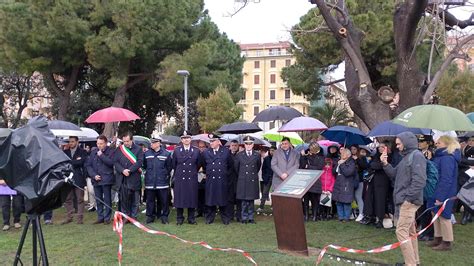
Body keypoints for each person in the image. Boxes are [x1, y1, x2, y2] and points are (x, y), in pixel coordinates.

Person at [381, 132, 426, 266]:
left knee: (401, 231)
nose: (397, 146)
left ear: (406, 143)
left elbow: (420, 181)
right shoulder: (406, 157)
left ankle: (410, 263)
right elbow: (394, 174)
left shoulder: (417, 156)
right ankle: (414, 262)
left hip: (409, 202)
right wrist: (385, 163)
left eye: (399, 143)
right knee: (411, 232)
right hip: (405, 200)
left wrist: (408, 199)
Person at [427, 135, 461, 251]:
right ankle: (438, 237)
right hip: (435, 189)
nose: (436, 144)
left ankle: (447, 241)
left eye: (439, 143)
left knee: (444, 216)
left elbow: (446, 178)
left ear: (446, 144)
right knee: (435, 214)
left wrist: (441, 196)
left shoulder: (447, 158)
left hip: (444, 191)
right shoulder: (440, 156)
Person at [171, 131, 202, 225]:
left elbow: (198, 164)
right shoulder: (177, 150)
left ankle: (191, 218)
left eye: (188, 137)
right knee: (180, 198)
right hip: (180, 177)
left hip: (191, 177)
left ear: (191, 139)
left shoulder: (196, 150)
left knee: (191, 198)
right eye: (184, 138)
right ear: (181, 140)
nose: (186, 139)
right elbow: (174, 164)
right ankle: (179, 218)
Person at [202, 134, 232, 225]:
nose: (211, 143)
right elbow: (204, 165)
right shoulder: (206, 152)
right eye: (210, 141)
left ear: (218, 141)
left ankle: (225, 218)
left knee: (223, 199)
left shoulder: (226, 151)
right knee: (210, 200)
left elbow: (230, 165)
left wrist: (225, 174)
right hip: (211, 179)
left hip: (222, 179)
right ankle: (209, 218)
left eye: (213, 141)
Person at [86, 135, 116, 224]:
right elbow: (89, 165)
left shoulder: (111, 151)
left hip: (106, 179)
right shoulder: (93, 152)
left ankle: (107, 218)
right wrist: (93, 175)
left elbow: (111, 163)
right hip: (96, 179)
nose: (99, 145)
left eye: (101, 144)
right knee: (98, 199)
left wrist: (102, 155)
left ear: (106, 143)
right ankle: (100, 217)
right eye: (98, 143)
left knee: (107, 199)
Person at [114, 133, 144, 221]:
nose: (125, 143)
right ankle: (126, 217)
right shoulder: (119, 149)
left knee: (135, 199)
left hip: (134, 177)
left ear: (131, 140)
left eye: (127, 141)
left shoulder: (138, 149)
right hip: (123, 178)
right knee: (124, 199)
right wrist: (123, 170)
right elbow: (115, 162)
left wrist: (130, 170)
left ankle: (134, 216)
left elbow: (139, 162)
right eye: (124, 141)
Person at [143, 137, 172, 224]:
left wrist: (164, 174)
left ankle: (164, 216)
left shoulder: (166, 153)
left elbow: (169, 167)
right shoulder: (146, 153)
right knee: (150, 200)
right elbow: (144, 165)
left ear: (159, 143)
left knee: (164, 201)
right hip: (150, 181)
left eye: (154, 143)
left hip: (162, 182)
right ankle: (150, 216)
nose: (152, 144)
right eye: (151, 143)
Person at [362, 142, 391, 228]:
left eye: (382, 147)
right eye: (379, 147)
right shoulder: (376, 156)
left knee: (381, 201)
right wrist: (378, 164)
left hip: (383, 183)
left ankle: (380, 219)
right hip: (373, 182)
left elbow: (377, 166)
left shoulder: (389, 157)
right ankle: (372, 217)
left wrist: (380, 164)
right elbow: (372, 165)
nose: (380, 149)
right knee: (371, 199)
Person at [61, 136, 88, 225]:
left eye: (72, 141)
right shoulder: (65, 152)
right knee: (68, 198)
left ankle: (79, 218)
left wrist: (70, 162)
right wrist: (74, 162)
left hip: (79, 178)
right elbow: (63, 163)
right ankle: (69, 217)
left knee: (80, 199)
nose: (71, 143)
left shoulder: (83, 152)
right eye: (70, 141)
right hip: (68, 178)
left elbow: (81, 162)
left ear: (77, 142)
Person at [235, 136, 262, 224]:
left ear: (253, 144)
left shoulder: (257, 155)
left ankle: (250, 217)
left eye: (250, 143)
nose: (248, 145)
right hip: (243, 179)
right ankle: (244, 217)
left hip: (252, 179)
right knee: (243, 201)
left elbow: (258, 167)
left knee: (251, 200)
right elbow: (236, 168)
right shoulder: (239, 155)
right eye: (246, 143)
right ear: (244, 144)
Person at [300, 142, 325, 221]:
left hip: (316, 181)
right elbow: (302, 166)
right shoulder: (307, 156)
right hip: (306, 180)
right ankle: (306, 216)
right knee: (306, 199)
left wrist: (308, 166)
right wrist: (303, 156)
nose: (310, 150)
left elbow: (319, 168)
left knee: (315, 200)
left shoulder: (321, 157)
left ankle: (314, 216)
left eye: (312, 148)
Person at [332, 148, 357, 222]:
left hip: (347, 184)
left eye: (343, 153)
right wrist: (338, 164)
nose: (341, 154)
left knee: (346, 203)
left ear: (348, 155)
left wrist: (342, 164)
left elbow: (348, 173)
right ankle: (340, 217)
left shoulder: (351, 163)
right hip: (339, 184)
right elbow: (334, 172)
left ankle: (346, 218)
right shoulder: (340, 161)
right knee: (338, 202)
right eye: (341, 153)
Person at [459, 136, 474, 225]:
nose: (471, 142)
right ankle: (467, 213)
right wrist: (468, 163)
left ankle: (468, 214)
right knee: (465, 194)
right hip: (466, 174)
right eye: (470, 140)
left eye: (473, 140)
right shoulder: (466, 148)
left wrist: (466, 162)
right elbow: (461, 161)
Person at [226, 139, 242, 222]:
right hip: (229, 180)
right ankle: (230, 216)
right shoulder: (227, 155)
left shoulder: (241, 155)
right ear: (230, 146)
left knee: (239, 199)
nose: (234, 147)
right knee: (229, 199)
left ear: (238, 146)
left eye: (236, 145)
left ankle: (239, 216)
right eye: (232, 145)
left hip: (239, 180)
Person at [354, 145, 371, 222]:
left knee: (358, 196)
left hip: (359, 180)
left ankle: (361, 213)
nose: (353, 150)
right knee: (352, 197)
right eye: (351, 149)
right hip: (351, 180)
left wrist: (357, 159)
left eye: (354, 149)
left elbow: (365, 166)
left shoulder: (361, 158)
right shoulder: (350, 157)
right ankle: (354, 212)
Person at [257, 146, 274, 212]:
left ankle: (273, 206)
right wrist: (264, 177)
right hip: (268, 178)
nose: (272, 152)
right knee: (264, 192)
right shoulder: (266, 158)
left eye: (273, 150)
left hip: (275, 178)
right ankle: (261, 206)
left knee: (274, 193)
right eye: (271, 150)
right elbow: (263, 168)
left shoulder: (277, 158)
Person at [196, 140, 207, 218]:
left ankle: (205, 211)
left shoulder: (208, 154)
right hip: (197, 177)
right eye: (200, 147)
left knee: (205, 195)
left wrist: (204, 171)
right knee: (198, 195)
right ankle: (199, 211)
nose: (201, 148)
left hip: (205, 176)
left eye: (203, 147)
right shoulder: (196, 154)